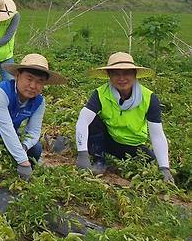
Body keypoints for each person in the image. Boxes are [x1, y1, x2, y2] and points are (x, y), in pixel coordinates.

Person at [0, 54, 67, 181]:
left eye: (40, 82)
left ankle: (22, 177)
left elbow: (34, 131)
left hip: (3, 139)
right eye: (29, 79)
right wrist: (23, 161)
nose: (33, 86)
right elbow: (6, 128)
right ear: (17, 76)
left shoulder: (39, 102)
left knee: (36, 147)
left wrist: (24, 147)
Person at [74, 52, 173, 183]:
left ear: (135, 74)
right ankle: (99, 160)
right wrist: (82, 154)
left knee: (151, 163)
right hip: (108, 140)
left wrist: (164, 167)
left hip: (134, 145)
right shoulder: (100, 93)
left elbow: (157, 134)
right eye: (116, 73)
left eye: (127, 73)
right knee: (93, 121)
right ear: (109, 76)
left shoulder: (149, 98)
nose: (122, 78)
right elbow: (82, 121)